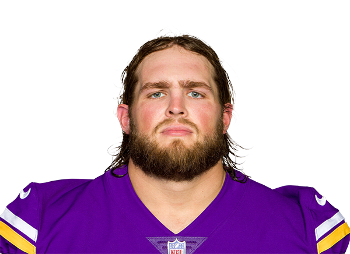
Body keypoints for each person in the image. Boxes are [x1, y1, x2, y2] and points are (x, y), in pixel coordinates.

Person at [0, 34, 349, 254]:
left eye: (195, 92)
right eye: (157, 92)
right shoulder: (40, 220)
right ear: (126, 118)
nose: (176, 107)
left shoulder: (308, 225)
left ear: (226, 117)